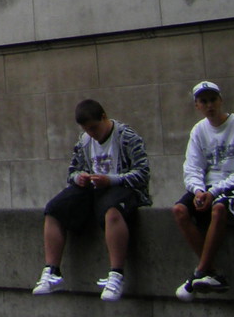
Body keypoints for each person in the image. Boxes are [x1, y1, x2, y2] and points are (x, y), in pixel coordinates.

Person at [31, 100, 151, 302]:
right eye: (87, 130)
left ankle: (116, 274)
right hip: (93, 190)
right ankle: (52, 271)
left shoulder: (127, 137)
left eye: (94, 128)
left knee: (112, 211)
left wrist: (112, 179)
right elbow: (72, 172)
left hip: (124, 189)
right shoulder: (84, 141)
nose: (92, 133)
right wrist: (80, 177)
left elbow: (143, 173)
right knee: (53, 209)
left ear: (104, 117)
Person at [172, 80, 234, 301]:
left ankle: (200, 272)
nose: (210, 106)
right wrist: (197, 191)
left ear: (220, 101)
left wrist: (213, 193)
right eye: (204, 102)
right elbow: (192, 167)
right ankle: (211, 272)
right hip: (208, 188)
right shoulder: (198, 131)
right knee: (178, 210)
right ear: (197, 106)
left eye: (213, 100)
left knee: (220, 208)